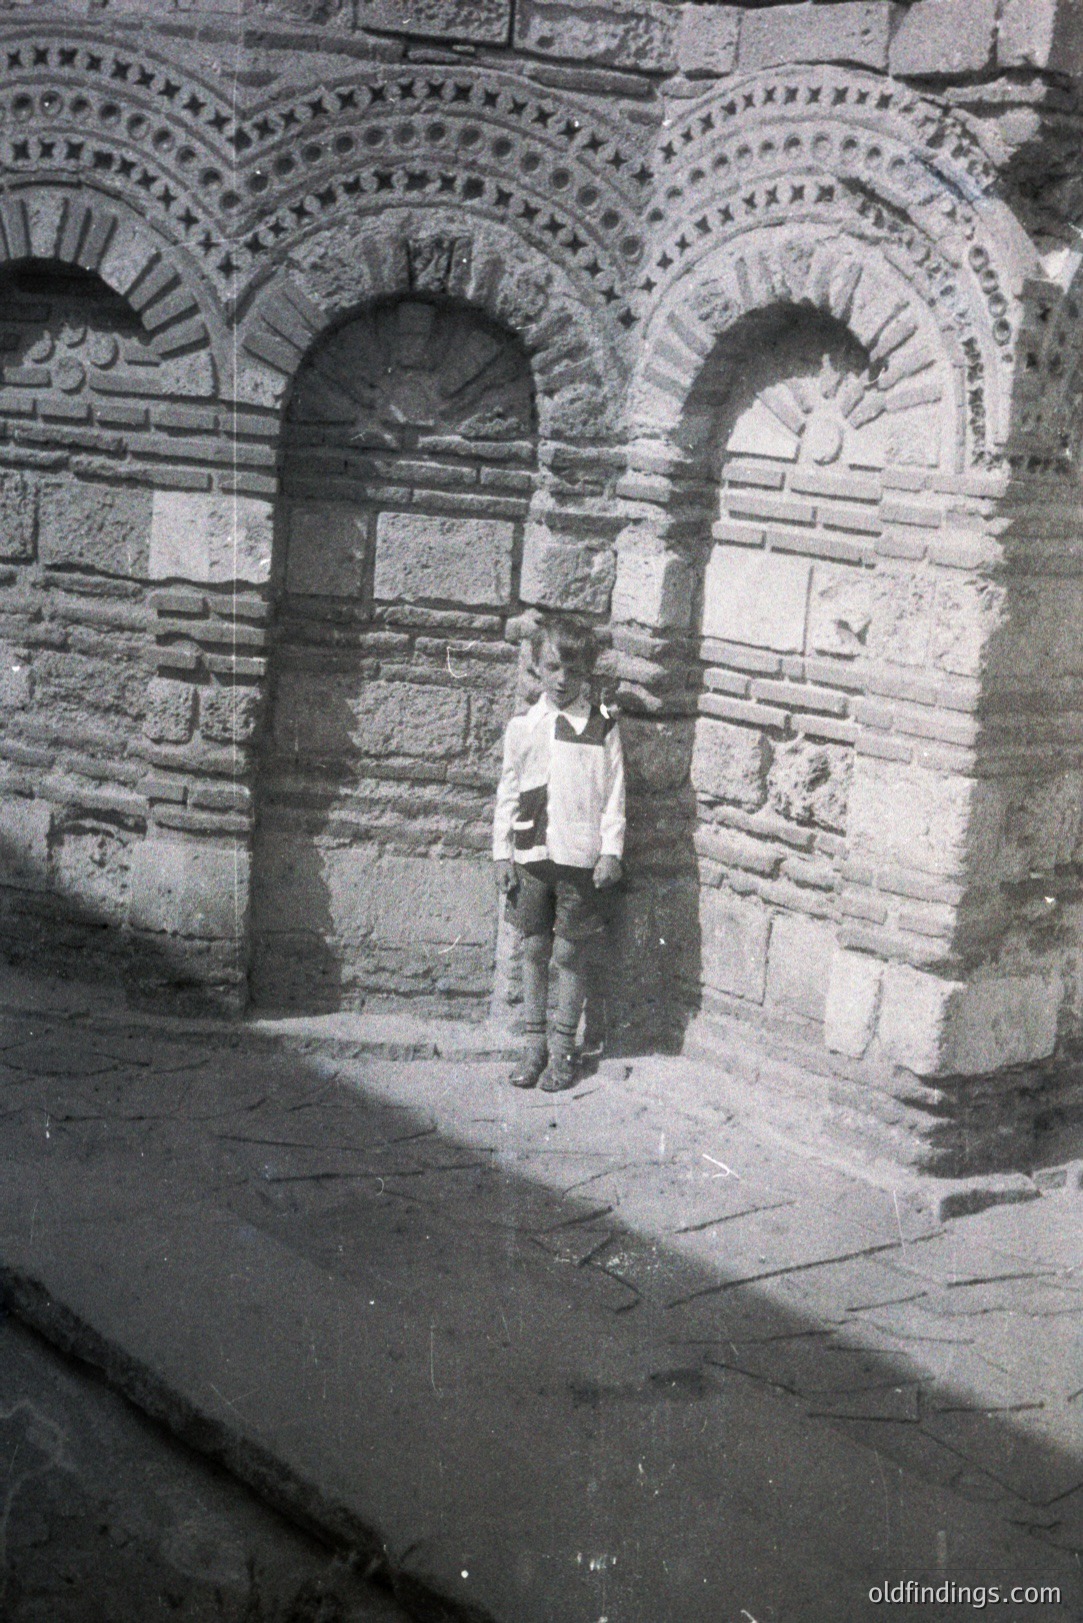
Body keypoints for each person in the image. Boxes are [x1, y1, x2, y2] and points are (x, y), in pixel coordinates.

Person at [492, 614, 625, 1092]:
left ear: (588, 672)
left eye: (574, 670)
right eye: (552, 668)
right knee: (533, 948)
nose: (563, 679)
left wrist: (611, 851)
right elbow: (508, 791)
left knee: (569, 953)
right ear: (537, 668)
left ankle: (564, 1050)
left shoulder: (602, 727)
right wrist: (501, 854)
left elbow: (614, 795)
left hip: (580, 859)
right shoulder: (525, 726)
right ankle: (534, 1047)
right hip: (531, 857)